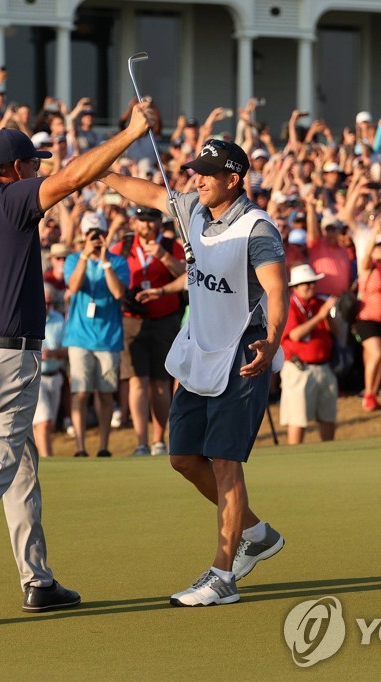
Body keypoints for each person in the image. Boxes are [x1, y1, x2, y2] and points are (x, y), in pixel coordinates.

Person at [0, 105, 156, 628]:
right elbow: (76, 175)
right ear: (15, 170)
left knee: (20, 466)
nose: (39, 169)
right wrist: (130, 132)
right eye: (32, 164)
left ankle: (37, 581)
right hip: (4, 357)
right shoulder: (15, 200)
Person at [100, 139, 288, 607]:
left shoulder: (256, 228)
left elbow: (278, 291)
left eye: (207, 172)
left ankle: (223, 576)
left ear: (234, 178)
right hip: (200, 350)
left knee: (226, 462)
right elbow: (140, 191)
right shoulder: (191, 209)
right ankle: (258, 534)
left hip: (244, 351)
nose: (197, 178)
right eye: (195, 170)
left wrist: (274, 342)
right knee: (182, 457)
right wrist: (92, 170)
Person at [109, 206, 185, 456]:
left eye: (151, 221)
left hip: (164, 318)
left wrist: (163, 256)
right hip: (131, 318)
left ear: (159, 223)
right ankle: (142, 442)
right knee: (137, 381)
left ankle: (158, 441)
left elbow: (187, 276)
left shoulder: (172, 245)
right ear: (134, 223)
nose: (147, 226)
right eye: (142, 221)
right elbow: (107, 268)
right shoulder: (124, 246)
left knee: (161, 383)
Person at [63, 212, 130, 458]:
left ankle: (103, 445)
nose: (95, 239)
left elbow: (117, 293)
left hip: (108, 338)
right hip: (79, 337)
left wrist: (105, 261)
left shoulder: (118, 262)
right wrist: (84, 256)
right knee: (79, 392)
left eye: (99, 234)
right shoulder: (73, 260)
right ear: (83, 236)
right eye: (91, 235)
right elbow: (73, 286)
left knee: (105, 394)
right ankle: (80, 446)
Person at [279, 264, 338, 443]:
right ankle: (294, 460)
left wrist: (327, 315)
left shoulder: (319, 303)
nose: (311, 286)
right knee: (298, 418)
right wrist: (320, 316)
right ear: (295, 288)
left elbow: (335, 332)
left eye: (313, 282)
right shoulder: (289, 305)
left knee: (328, 416)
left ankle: (330, 457)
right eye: (306, 283)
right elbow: (295, 335)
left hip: (324, 366)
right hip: (299, 368)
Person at [356, 230, 381, 412]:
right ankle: (368, 394)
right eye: (379, 248)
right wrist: (374, 235)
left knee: (380, 359)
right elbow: (365, 256)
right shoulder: (367, 268)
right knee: (377, 353)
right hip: (367, 318)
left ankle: (373, 392)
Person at [34, 283, 67, 458]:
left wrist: (54, 353)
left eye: (50, 303)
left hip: (55, 377)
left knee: (46, 425)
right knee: (44, 422)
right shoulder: (27, 318)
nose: (47, 307)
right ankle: (48, 461)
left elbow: (69, 350)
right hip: (34, 378)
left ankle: (37, 463)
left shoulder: (59, 320)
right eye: (44, 302)